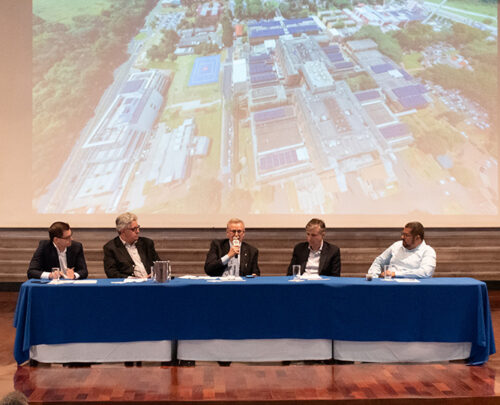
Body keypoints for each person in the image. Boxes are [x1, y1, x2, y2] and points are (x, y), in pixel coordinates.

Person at [368, 221, 436, 278]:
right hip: (389, 285)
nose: (402, 237)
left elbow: (425, 272)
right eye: (403, 234)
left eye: (407, 235)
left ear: (417, 238)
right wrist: (373, 277)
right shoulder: (397, 245)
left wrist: (395, 274)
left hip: (413, 288)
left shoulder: (428, 251)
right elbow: (379, 261)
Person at [103, 212, 160, 278]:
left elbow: (159, 264)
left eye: (138, 227)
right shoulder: (111, 248)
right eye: (134, 229)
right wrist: (133, 279)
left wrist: (153, 275)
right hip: (129, 285)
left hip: (150, 282)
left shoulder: (146, 243)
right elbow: (111, 273)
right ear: (122, 231)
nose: (138, 231)